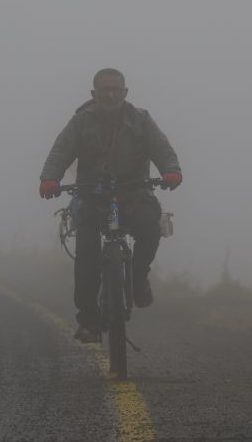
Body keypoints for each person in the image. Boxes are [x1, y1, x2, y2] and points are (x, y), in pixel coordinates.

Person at [38, 68, 182, 343]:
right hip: (92, 197)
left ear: (126, 92)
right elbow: (60, 151)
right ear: (94, 94)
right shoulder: (80, 122)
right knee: (87, 255)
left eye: (116, 88)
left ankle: (138, 279)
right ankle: (89, 321)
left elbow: (162, 149)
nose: (111, 93)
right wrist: (49, 178)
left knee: (150, 230)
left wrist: (172, 170)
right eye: (105, 89)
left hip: (134, 194)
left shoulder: (141, 120)